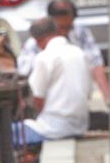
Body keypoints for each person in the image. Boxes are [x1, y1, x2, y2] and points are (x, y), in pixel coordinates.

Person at [17, 0, 110, 106]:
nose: (64, 32)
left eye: (68, 28)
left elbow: (96, 64)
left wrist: (108, 99)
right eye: (60, 28)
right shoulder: (35, 45)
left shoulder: (81, 34)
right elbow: (23, 75)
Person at [15, 16, 91, 145]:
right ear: (57, 31)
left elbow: (37, 98)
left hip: (52, 129)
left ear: (36, 40)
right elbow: (88, 93)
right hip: (80, 126)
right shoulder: (79, 53)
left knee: (1, 134)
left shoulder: (44, 57)